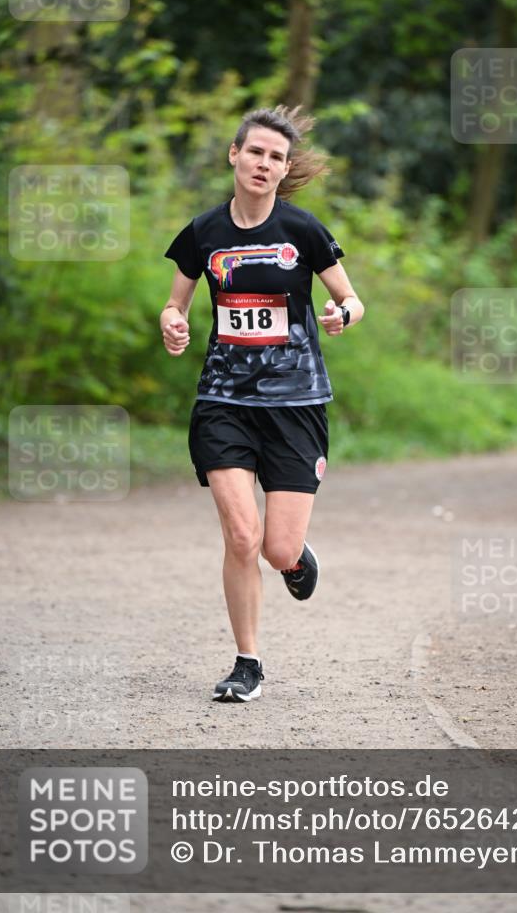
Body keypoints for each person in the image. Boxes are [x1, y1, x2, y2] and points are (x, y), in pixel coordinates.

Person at [161, 105, 364, 703]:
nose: (264, 164)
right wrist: (173, 323)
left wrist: (341, 314)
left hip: (296, 404)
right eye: (255, 152)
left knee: (276, 548)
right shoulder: (203, 233)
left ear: (283, 169)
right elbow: (176, 304)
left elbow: (352, 299)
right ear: (234, 154)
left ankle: (296, 558)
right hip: (223, 401)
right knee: (241, 536)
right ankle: (246, 662)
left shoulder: (303, 231)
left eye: (276, 157)